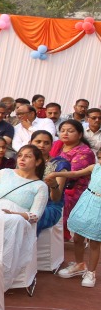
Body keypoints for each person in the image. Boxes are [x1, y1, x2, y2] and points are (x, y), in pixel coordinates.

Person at [53, 119, 99, 287]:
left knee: (94, 241)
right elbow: (71, 172)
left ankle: (91, 272)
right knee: (78, 237)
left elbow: (74, 174)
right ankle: (80, 264)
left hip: (90, 202)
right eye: (62, 130)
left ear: (80, 134)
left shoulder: (84, 153)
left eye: (70, 130)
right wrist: (52, 176)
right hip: (86, 199)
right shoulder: (95, 167)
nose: (65, 133)